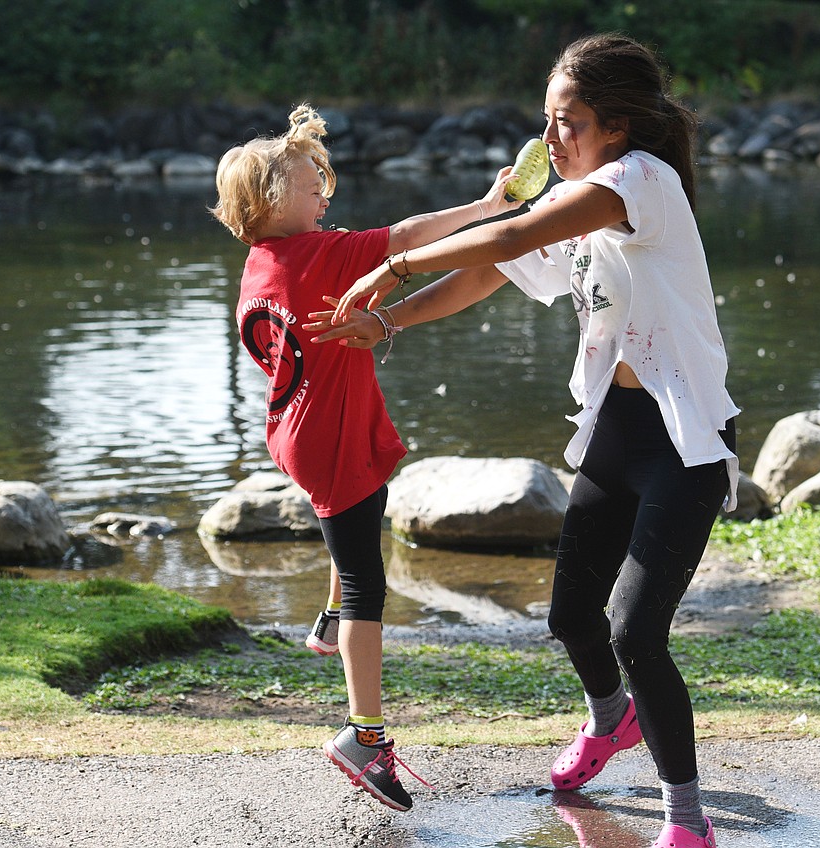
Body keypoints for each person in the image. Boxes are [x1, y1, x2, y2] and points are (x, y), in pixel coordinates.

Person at [310, 34, 738, 848]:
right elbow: (489, 271)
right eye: (545, 120)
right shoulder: (576, 195)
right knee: (572, 617)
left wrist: (394, 265)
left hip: (684, 442)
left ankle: (688, 823)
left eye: (567, 122)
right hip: (616, 432)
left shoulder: (636, 182)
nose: (551, 140)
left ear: (616, 126)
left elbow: (505, 238)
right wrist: (387, 321)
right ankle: (611, 720)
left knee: (635, 633)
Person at [210, 103, 518, 811]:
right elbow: (407, 241)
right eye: (308, 181)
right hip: (332, 439)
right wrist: (486, 206)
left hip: (296, 429)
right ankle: (364, 735)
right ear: (268, 201)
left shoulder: (264, 265)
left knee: (355, 530)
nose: (323, 191)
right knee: (366, 587)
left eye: (324, 179)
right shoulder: (319, 255)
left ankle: (326, 620)